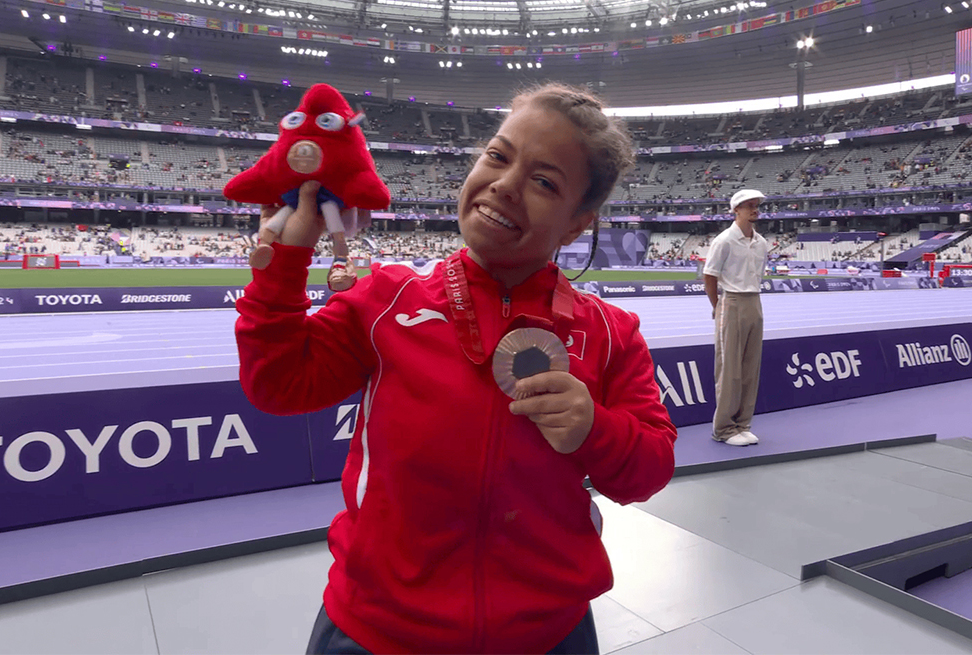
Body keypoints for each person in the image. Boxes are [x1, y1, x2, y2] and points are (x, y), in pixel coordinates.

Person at [234, 82, 677, 655]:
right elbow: (277, 383)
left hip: (546, 636)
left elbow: (650, 467)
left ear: (576, 225)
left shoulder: (612, 332)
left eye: (545, 182)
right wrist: (285, 261)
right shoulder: (386, 299)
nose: (505, 185)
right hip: (375, 632)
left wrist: (594, 428)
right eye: (498, 155)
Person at [703, 188, 770, 446]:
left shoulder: (761, 242)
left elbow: (757, 275)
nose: (754, 209)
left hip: (754, 300)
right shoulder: (724, 241)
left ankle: (743, 424)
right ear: (736, 210)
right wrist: (717, 305)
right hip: (731, 300)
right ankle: (723, 428)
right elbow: (709, 276)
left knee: (750, 368)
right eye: (749, 205)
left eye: (756, 205)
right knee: (729, 369)